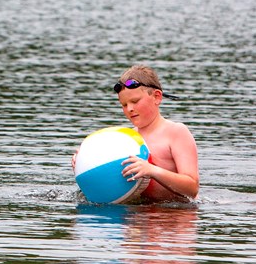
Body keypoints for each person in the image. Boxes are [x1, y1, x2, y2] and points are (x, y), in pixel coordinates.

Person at [74, 65, 199, 203]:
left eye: (135, 101)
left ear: (157, 97)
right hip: (140, 214)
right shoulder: (127, 140)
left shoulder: (176, 132)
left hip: (175, 216)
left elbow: (192, 188)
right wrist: (84, 164)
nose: (130, 109)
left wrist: (152, 170)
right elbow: (108, 178)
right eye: (124, 105)